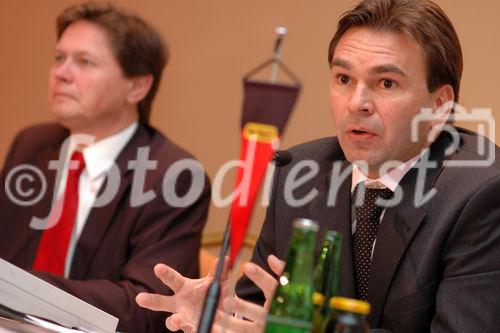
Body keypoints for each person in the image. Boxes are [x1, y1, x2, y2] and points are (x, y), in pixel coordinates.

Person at [137, 0, 500, 332]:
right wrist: (221, 315)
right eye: (344, 79)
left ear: (439, 105)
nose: (357, 103)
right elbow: (260, 311)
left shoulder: (481, 191)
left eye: (386, 83)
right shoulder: (299, 172)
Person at [0, 2, 210, 332]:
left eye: (84, 62)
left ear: (137, 87)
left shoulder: (174, 175)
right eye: (59, 58)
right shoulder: (31, 145)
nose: (61, 73)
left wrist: (22, 290)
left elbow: (148, 306)